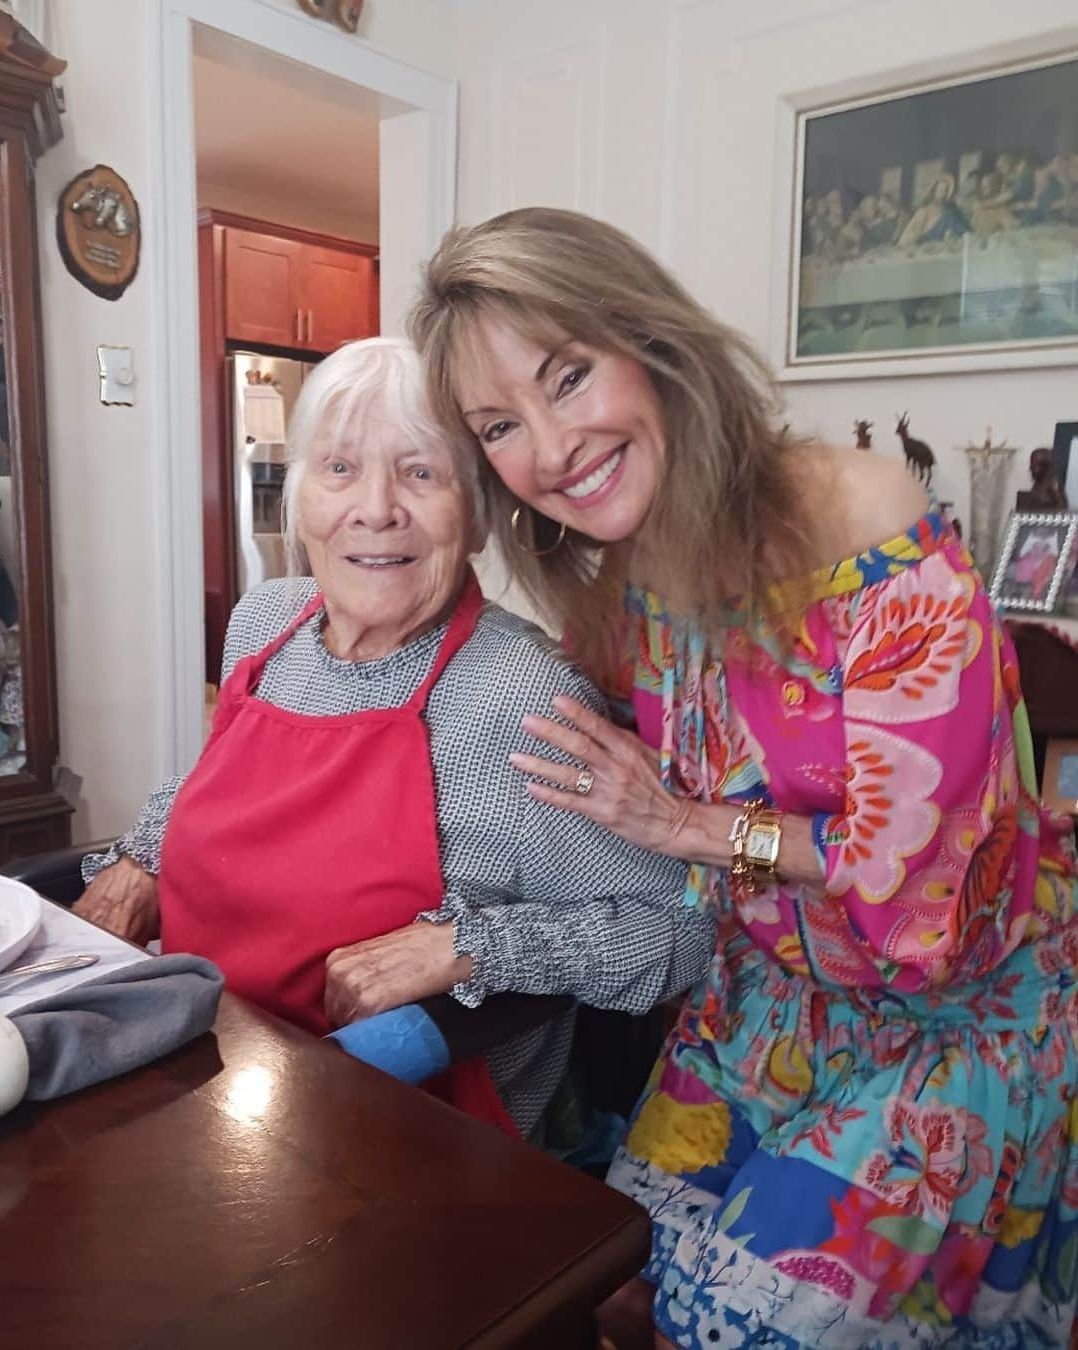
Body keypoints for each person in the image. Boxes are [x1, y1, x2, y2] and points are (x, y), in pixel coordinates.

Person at [409, 208, 1078, 1348]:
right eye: (500, 427)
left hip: (956, 1016)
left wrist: (689, 826)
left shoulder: (865, 513)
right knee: (599, 1281)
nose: (552, 447)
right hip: (764, 1007)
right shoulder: (628, 577)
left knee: (730, 1328)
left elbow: (921, 899)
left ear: (650, 344)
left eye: (568, 376)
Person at [75, 337, 714, 1141]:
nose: (375, 509)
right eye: (339, 469)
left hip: (398, 1133)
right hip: (202, 1064)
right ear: (298, 496)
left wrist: (472, 945)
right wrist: (143, 858)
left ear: (477, 515)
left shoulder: (523, 696)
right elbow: (219, 782)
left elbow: (683, 930)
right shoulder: (267, 623)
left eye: (420, 473)